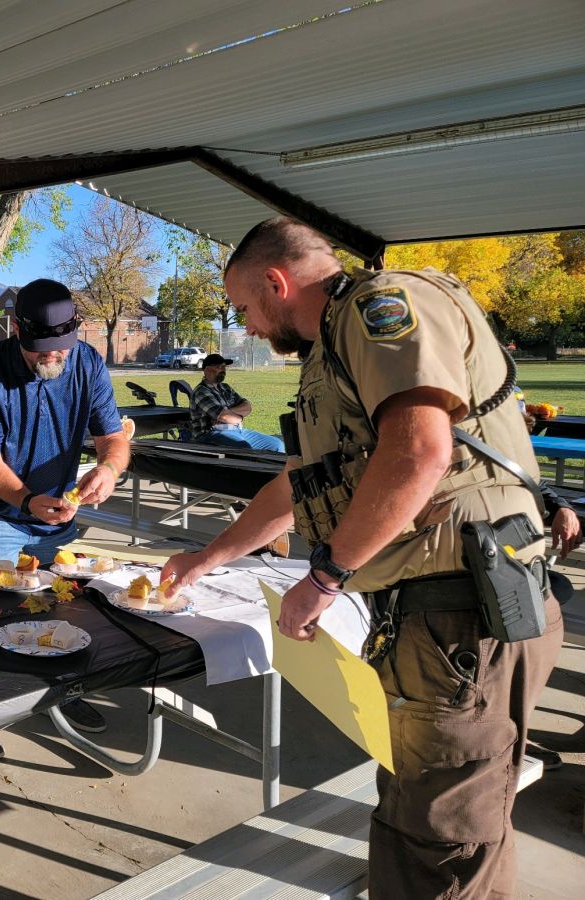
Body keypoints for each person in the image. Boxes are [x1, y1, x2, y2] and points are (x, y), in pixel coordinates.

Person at [160, 217, 562, 898]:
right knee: (431, 811)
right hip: (441, 621)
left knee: (439, 841)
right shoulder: (337, 347)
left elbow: (419, 451)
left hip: (457, 620)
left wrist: (324, 577)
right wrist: (208, 557)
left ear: (276, 282)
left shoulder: (380, 312)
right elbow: (301, 483)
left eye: (245, 308)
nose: (248, 327)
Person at [0, 278, 130, 759]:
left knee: (61, 604)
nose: (51, 359)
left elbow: (113, 438)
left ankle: (63, 695)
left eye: (60, 350)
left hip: (55, 508)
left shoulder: (88, 362)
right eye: (40, 351)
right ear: (15, 330)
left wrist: (109, 469)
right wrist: (27, 500)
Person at [190, 353, 285, 452]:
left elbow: (248, 406)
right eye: (219, 367)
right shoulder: (201, 392)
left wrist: (228, 413)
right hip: (210, 434)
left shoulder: (225, 388)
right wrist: (236, 416)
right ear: (206, 370)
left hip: (238, 430)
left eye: (224, 367)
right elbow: (225, 417)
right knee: (244, 448)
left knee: (277, 445)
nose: (223, 370)